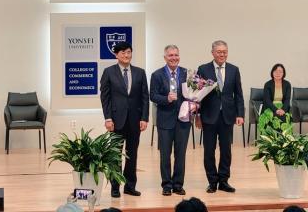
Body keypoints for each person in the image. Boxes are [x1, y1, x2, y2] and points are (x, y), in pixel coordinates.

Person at [100, 41, 149, 198]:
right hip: (116, 120)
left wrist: (144, 118)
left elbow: (145, 98)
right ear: (116, 55)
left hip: (135, 120)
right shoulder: (108, 72)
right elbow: (105, 98)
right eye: (123, 53)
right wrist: (108, 118)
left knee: (132, 154)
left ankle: (130, 186)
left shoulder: (140, 72)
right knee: (115, 155)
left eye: (129, 52)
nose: (126, 55)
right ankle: (115, 187)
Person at [195, 40, 244, 193]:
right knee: (209, 151)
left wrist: (240, 114)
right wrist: (197, 116)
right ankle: (212, 181)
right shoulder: (203, 69)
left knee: (226, 151)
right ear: (212, 53)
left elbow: (239, 94)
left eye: (224, 51)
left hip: (227, 116)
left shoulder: (234, 70)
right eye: (219, 52)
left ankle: (224, 181)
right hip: (208, 116)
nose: (222, 54)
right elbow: (197, 95)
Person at [150, 45, 190, 196]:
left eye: (176, 55)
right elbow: (152, 96)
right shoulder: (157, 75)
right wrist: (166, 98)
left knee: (181, 154)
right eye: (170, 55)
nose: (174, 58)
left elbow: (194, 93)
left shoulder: (187, 73)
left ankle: (178, 185)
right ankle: (166, 185)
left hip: (183, 120)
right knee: (165, 155)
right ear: (165, 57)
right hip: (165, 120)